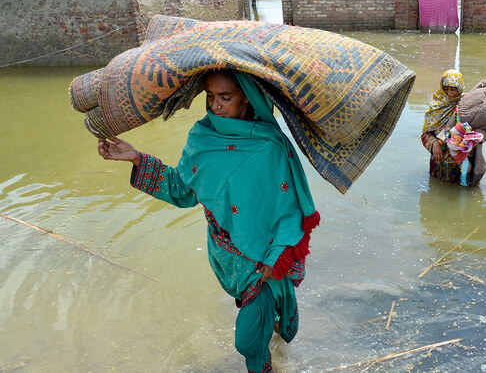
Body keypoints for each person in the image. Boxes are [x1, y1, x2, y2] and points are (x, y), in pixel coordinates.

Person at [97, 69, 320, 373]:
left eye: (226, 97)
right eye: (211, 96)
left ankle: (266, 363)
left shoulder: (270, 145)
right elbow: (184, 190)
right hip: (226, 256)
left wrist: (277, 256)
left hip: (263, 258)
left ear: (247, 98)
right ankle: (276, 328)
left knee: (247, 340)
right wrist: (136, 158)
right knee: (260, 323)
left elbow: (291, 208)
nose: (216, 105)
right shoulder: (202, 137)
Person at [420, 69, 486, 184]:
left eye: (453, 89)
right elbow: (426, 133)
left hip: (464, 163)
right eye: (445, 89)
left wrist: (475, 138)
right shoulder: (437, 106)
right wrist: (433, 144)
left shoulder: (469, 104)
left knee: (465, 192)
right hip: (439, 165)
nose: (449, 93)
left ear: (460, 88)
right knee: (437, 192)